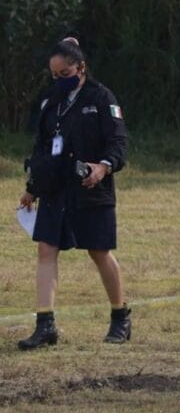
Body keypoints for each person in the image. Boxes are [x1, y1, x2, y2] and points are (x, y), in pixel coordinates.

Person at [16, 36, 131, 350]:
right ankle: (45, 326)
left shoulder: (101, 97)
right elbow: (42, 147)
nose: (59, 80)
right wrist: (32, 188)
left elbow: (119, 143)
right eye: (54, 75)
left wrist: (103, 167)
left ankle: (120, 317)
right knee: (46, 250)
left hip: (90, 189)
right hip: (56, 190)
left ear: (81, 67)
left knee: (99, 251)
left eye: (64, 74)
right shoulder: (51, 101)